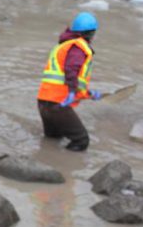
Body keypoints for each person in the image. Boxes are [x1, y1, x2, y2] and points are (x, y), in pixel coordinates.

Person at [37, 12, 103, 151]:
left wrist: (89, 94)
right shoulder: (78, 47)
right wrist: (72, 92)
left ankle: (46, 161)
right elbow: (71, 70)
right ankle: (66, 169)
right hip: (59, 104)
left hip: (44, 102)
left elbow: (65, 79)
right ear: (91, 34)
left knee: (53, 139)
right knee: (81, 140)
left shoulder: (63, 46)